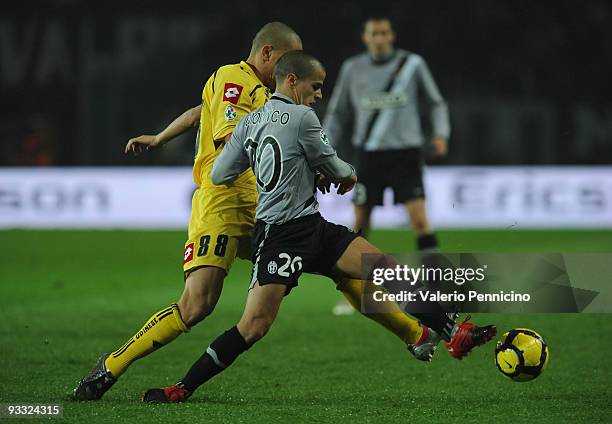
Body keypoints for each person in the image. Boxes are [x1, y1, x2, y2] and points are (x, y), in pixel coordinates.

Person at [140, 51, 496, 403]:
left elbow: (219, 174)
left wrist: (267, 167)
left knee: (382, 266)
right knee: (254, 327)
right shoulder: (303, 117)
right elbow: (338, 168)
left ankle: (453, 333)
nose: (320, 94)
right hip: (281, 237)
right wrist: (347, 174)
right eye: (317, 85)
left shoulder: (249, 123)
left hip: (310, 227)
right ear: (292, 80)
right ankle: (183, 387)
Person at [73, 22, 304, 401]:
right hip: (225, 204)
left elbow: (201, 112)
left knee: (323, 253)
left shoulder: (258, 90)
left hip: (258, 204)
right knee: (196, 305)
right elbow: (233, 141)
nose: (289, 67)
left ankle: (416, 330)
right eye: (285, 58)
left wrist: (161, 136)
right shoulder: (235, 77)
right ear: (266, 53)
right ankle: (111, 365)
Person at [324, 17, 450, 315]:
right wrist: (324, 147)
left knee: (420, 221)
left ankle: (435, 289)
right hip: (370, 155)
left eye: (383, 33)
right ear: (365, 38)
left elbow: (435, 102)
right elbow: (338, 112)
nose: (379, 38)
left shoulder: (412, 64)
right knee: (361, 226)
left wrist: (440, 133)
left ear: (391, 35)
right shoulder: (353, 68)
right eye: (373, 33)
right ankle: (356, 294)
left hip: (406, 154)